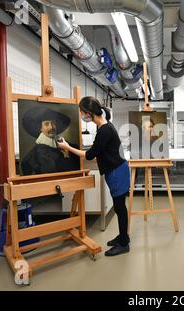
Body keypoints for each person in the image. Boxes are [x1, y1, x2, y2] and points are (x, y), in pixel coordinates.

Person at [57, 96, 130, 256]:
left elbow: (89, 155)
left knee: (120, 208)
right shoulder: (104, 126)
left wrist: (67, 147)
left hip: (118, 172)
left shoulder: (104, 129)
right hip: (117, 170)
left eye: (82, 112)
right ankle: (123, 237)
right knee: (120, 208)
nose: (82, 116)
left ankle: (124, 243)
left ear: (88, 113)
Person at [21, 107, 80, 175]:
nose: (51, 127)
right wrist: (66, 156)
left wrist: (68, 151)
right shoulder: (40, 151)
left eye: (53, 123)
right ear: (40, 128)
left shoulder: (63, 142)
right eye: (46, 124)